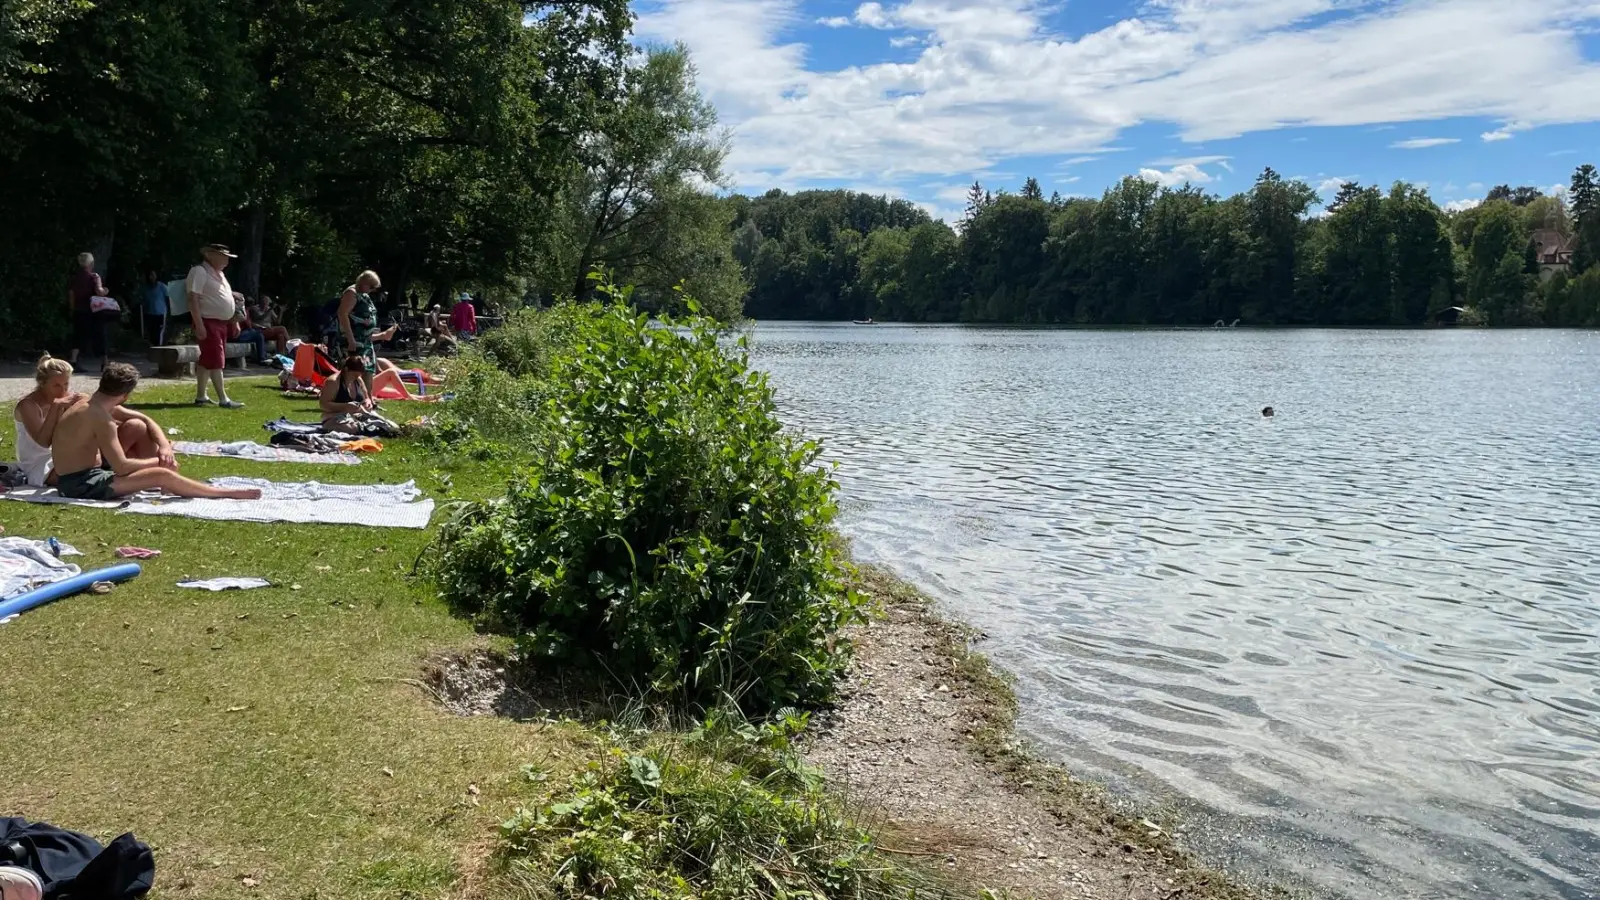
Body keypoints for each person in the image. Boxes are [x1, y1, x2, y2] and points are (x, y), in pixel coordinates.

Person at [50, 364, 262, 501]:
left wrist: (164, 448)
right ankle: (223, 493)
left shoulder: (89, 402)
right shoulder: (101, 418)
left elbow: (144, 419)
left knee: (140, 430)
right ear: (125, 395)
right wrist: (159, 462)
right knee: (161, 474)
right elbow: (121, 467)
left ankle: (178, 483)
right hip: (79, 484)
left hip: (78, 477)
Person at [186, 244, 245, 408]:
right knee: (216, 360)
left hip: (221, 323)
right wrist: (199, 325)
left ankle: (201, 396)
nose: (226, 260)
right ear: (210, 255)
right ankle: (223, 399)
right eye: (223, 256)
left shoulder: (220, 274)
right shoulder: (199, 271)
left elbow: (226, 298)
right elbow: (192, 299)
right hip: (207, 321)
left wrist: (234, 320)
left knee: (207, 360)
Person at [11, 355, 83, 486]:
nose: (63, 390)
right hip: (38, 463)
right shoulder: (28, 405)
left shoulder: (67, 398)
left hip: (64, 455)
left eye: (66, 384)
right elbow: (43, 442)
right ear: (42, 383)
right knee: (75, 478)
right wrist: (56, 407)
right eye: (56, 385)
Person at [336, 270, 386, 394]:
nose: (372, 290)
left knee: (368, 369)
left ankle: (368, 398)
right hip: (355, 340)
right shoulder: (351, 293)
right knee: (355, 370)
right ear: (364, 283)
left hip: (365, 340)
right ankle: (348, 396)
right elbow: (342, 314)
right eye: (371, 287)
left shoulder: (363, 294)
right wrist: (351, 339)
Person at [67, 252, 110, 373]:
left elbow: (71, 294)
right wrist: (106, 291)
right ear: (91, 263)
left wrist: (72, 309)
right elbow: (99, 292)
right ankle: (104, 362)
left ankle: (73, 361)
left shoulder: (75, 277)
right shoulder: (94, 277)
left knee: (78, 335)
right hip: (93, 311)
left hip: (79, 310)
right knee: (100, 335)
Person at [320, 355, 381, 431]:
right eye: (355, 375)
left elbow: (367, 398)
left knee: (380, 422)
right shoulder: (333, 382)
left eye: (359, 375)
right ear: (346, 369)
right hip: (334, 417)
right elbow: (324, 405)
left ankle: (365, 428)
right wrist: (345, 406)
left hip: (357, 416)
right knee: (351, 428)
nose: (357, 377)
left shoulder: (358, 379)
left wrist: (368, 403)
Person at [140, 270, 169, 346]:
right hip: (149, 313)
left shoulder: (162, 286)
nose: (151, 277)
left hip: (161, 313)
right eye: (150, 275)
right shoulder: (146, 288)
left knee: (159, 331)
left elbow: (168, 298)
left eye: (153, 275)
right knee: (151, 331)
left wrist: (168, 310)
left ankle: (159, 346)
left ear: (156, 276)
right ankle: (153, 346)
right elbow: (143, 300)